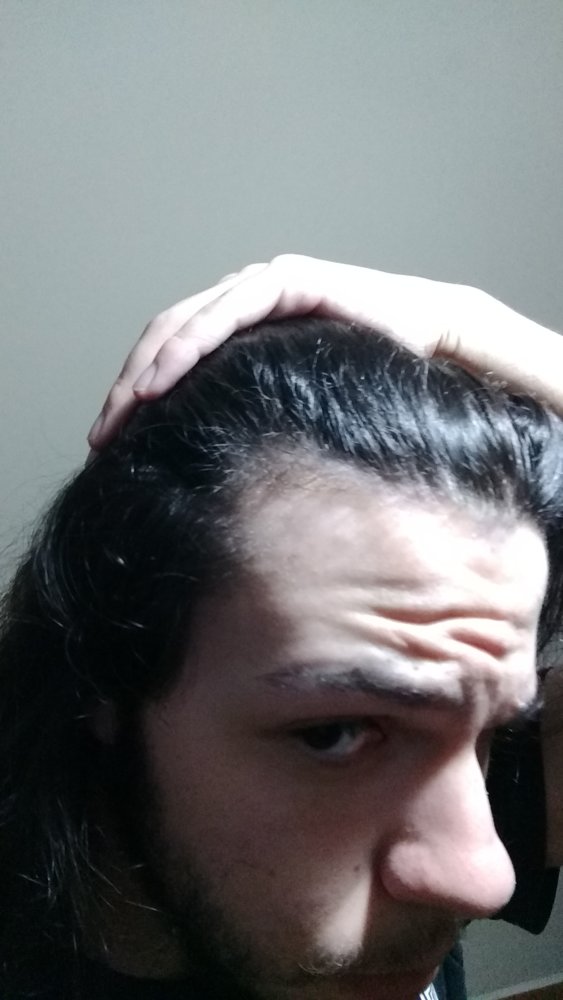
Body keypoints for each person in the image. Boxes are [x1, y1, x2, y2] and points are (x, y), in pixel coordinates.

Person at [1, 260, 562, 1000]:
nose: (481, 877)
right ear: (106, 674)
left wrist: (468, 322)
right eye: (334, 735)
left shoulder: (445, 723)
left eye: (497, 730)